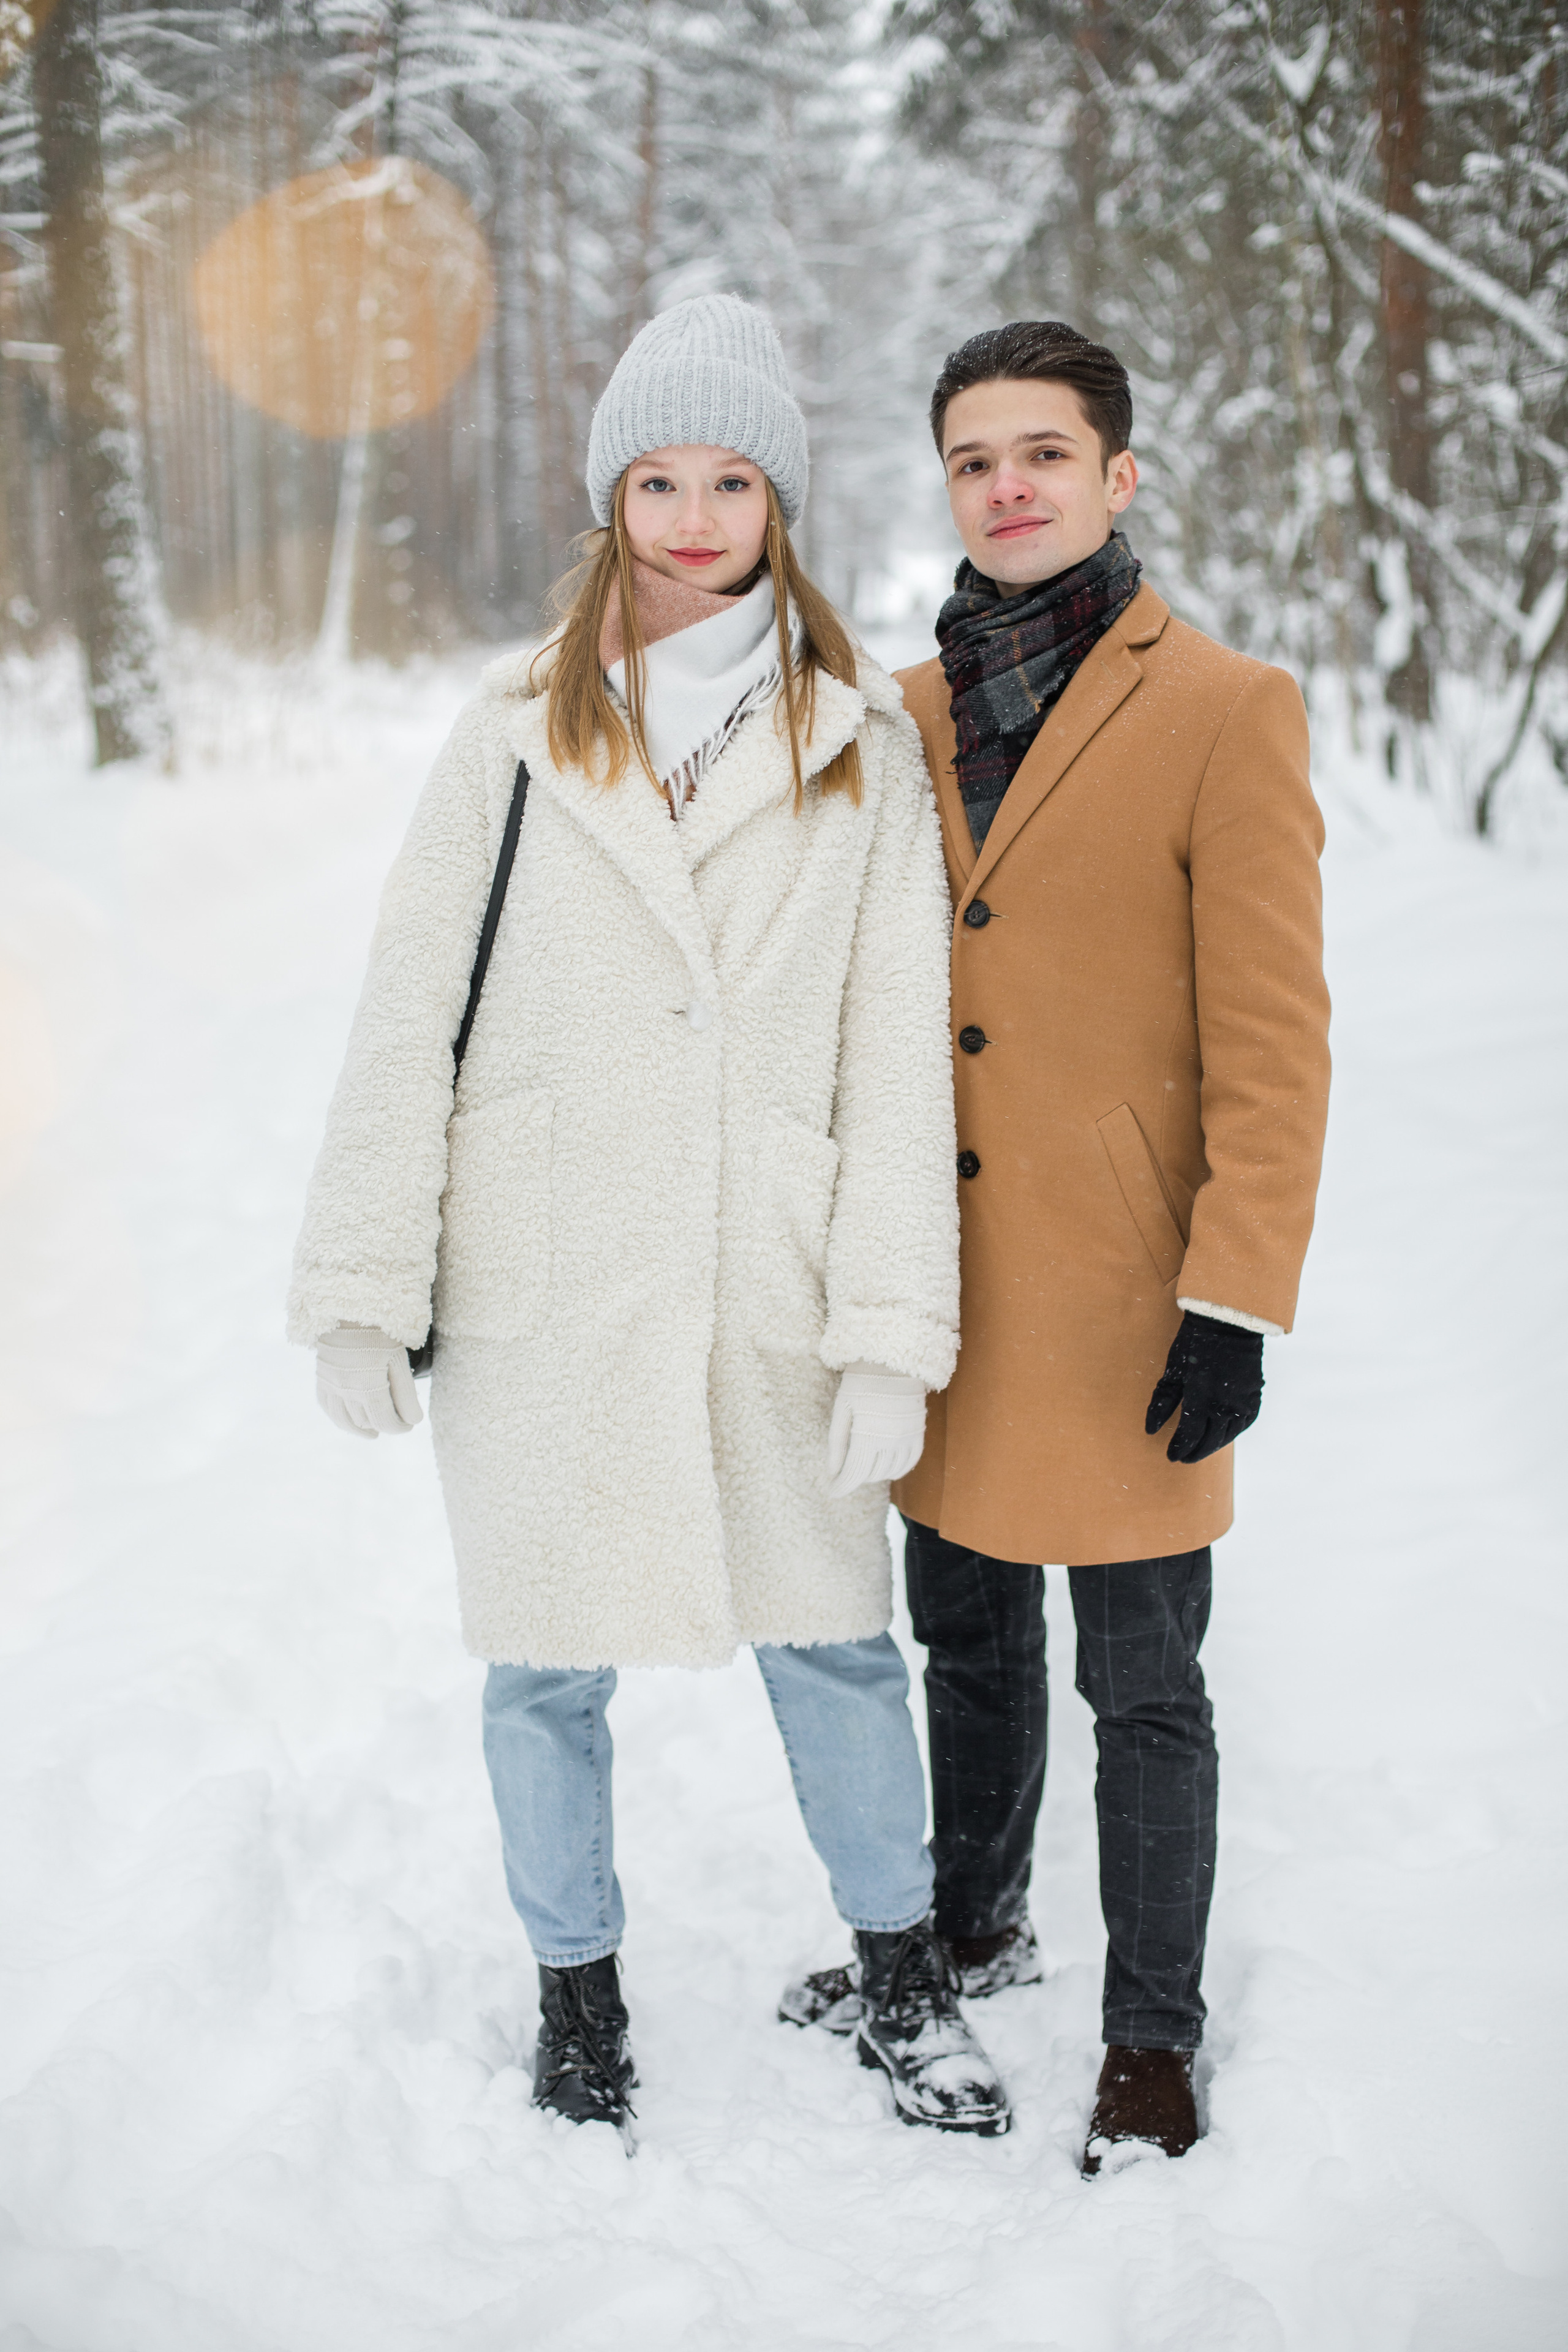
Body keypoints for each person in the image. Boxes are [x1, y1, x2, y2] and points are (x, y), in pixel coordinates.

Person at [288, 294, 1009, 2140]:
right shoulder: (511, 735)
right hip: (546, 1267)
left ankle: (903, 1977)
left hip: (765, 1265)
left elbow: (895, 1068)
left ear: (779, 500)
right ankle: (577, 1993)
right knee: (542, 1665)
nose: (694, 515)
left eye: (732, 478)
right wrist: (364, 1281)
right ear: (615, 496)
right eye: (660, 478)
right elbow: (403, 1013)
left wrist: (888, 1328)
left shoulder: (859, 750)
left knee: (839, 1641)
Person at [781, 320, 1332, 2175]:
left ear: (1118, 475)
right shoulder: (904, 712)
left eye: (1042, 451)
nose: (1005, 485)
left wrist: (1234, 1295)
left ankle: (1150, 2037)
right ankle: (971, 1918)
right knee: (965, 1634)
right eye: (971, 458)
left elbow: (1272, 1039)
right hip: (936, 1278)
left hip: (1120, 1286)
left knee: (1144, 1680)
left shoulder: (1226, 705)